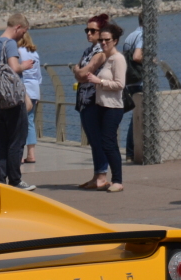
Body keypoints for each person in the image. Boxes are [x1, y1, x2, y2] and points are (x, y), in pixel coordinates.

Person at [0, 12, 36, 191]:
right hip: (13, 100)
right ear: (17, 27)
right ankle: (15, 180)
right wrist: (26, 65)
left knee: (3, 141)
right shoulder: (11, 44)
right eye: (24, 31)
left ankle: (0, 179)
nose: (24, 35)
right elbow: (14, 67)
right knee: (17, 140)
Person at [86, 24, 127, 192]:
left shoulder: (118, 59)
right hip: (101, 106)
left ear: (115, 41)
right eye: (101, 40)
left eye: (107, 40)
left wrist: (99, 82)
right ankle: (111, 179)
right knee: (104, 142)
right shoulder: (106, 59)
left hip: (113, 108)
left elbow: (120, 84)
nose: (103, 43)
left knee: (109, 143)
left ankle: (117, 180)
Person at [72, 14, 109, 189]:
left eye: (92, 30)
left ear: (101, 32)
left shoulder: (101, 52)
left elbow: (83, 72)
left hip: (95, 99)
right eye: (87, 30)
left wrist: (78, 72)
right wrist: (79, 72)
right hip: (84, 99)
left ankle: (102, 174)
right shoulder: (88, 51)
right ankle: (96, 175)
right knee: (92, 139)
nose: (88, 33)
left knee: (97, 137)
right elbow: (79, 72)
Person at [121, 15, 144, 161]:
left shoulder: (131, 35)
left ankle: (131, 150)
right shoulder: (142, 35)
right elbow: (136, 56)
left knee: (135, 114)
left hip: (129, 79)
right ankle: (131, 151)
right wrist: (150, 59)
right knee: (137, 116)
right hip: (139, 79)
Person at [19, 32, 42, 164]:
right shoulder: (34, 53)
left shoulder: (18, 52)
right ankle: (31, 154)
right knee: (30, 121)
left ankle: (19, 154)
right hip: (34, 88)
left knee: (20, 122)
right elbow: (38, 75)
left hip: (23, 88)